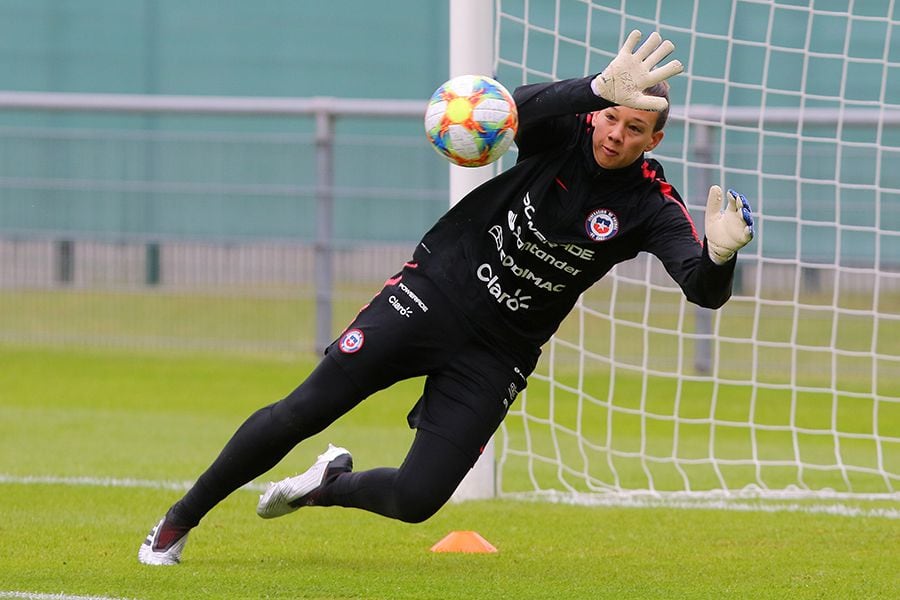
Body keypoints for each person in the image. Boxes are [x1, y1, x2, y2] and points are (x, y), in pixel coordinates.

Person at [139, 30, 754, 566]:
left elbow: (703, 291)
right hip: (434, 293)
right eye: (612, 117)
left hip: (499, 353)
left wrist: (720, 257)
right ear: (598, 114)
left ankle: (326, 485)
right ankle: (179, 520)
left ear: (654, 140)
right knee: (305, 409)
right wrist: (594, 87)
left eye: (635, 128)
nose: (617, 134)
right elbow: (511, 107)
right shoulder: (563, 130)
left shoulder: (651, 204)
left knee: (416, 500)